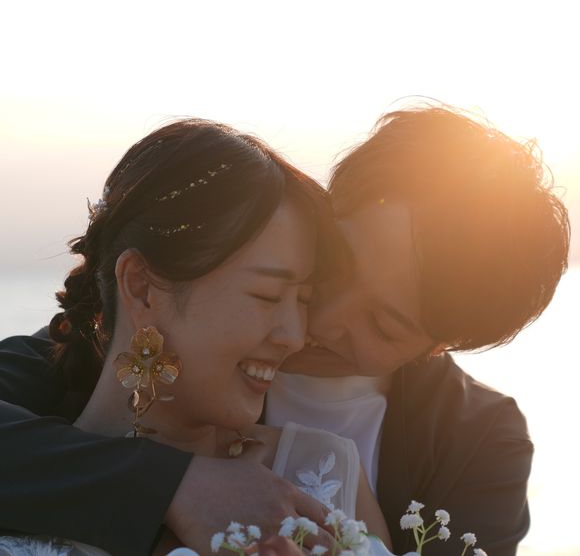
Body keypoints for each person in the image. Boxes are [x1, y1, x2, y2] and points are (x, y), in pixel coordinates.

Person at [0, 104, 570, 555]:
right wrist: (174, 485)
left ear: (437, 346)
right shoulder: (119, 353)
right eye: (337, 266)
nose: (317, 321)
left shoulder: (477, 445)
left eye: (382, 323)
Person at [0, 118, 391, 555]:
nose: (295, 336)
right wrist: (170, 486)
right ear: (141, 287)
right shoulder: (19, 482)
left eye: (303, 299)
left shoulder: (322, 475)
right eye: (266, 295)